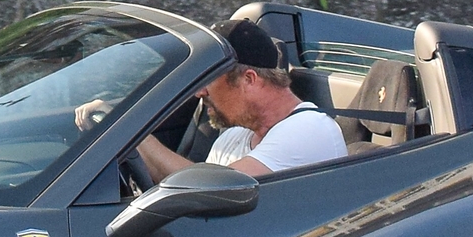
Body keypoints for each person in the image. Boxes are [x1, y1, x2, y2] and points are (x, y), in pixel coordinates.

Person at [79, 17, 345, 181]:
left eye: (209, 78)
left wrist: (129, 129)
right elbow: (184, 188)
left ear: (249, 80)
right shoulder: (234, 136)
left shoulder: (309, 129)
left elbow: (206, 191)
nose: (199, 91)